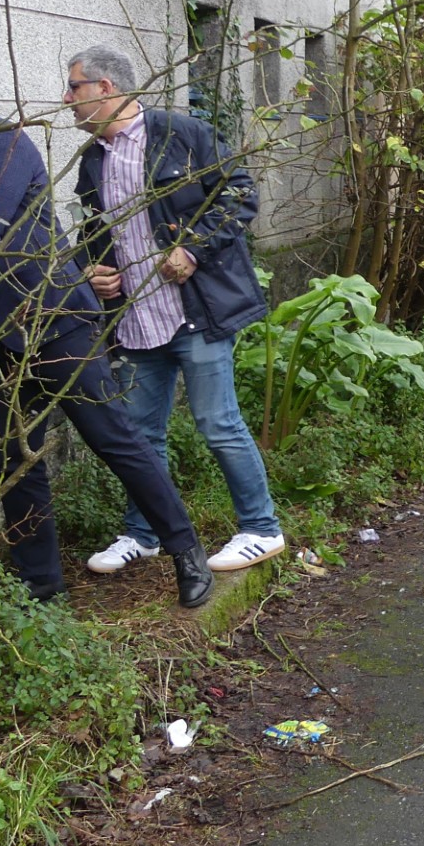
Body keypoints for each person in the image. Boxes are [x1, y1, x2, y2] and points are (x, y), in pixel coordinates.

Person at [0, 62, 215, 609]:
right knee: (14, 461)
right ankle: (42, 588)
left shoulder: (1, 142)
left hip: (53, 321)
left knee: (115, 439)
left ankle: (185, 551)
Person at [65, 45, 286, 575]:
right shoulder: (94, 158)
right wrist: (91, 270)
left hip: (196, 310)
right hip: (138, 318)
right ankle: (143, 534)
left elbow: (239, 194)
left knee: (218, 422)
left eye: (74, 87)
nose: (67, 99)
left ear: (106, 89)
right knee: (141, 435)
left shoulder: (181, 135)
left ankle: (261, 528)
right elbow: (95, 231)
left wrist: (192, 248)